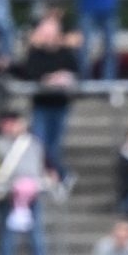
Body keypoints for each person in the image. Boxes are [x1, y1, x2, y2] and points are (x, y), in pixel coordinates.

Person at [14, 15, 80, 181]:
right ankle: (59, 175)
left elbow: (75, 73)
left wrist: (63, 78)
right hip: (41, 106)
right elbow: (30, 73)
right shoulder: (35, 53)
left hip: (60, 105)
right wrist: (48, 79)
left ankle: (59, 175)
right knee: (40, 144)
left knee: (54, 146)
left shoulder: (66, 53)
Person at [0, 107, 48, 255]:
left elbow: (38, 165)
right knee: (7, 232)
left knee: (36, 230)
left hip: (32, 194)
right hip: (9, 194)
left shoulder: (33, 143)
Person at [76, 0, 122, 81]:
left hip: (108, 9)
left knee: (110, 48)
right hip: (87, 9)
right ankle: (84, 80)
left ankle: (108, 81)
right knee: (84, 47)